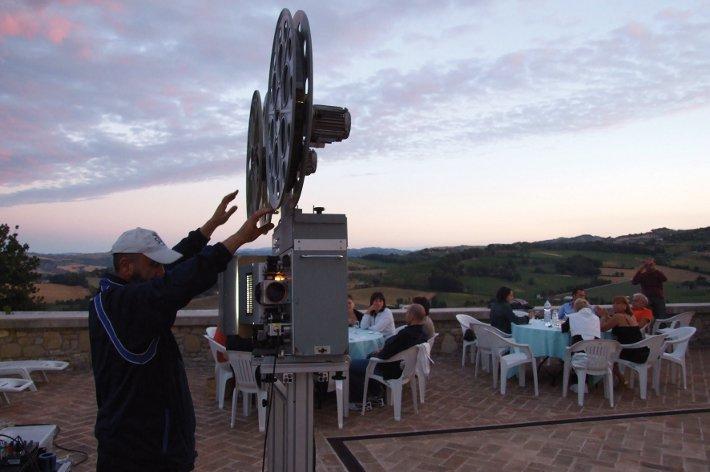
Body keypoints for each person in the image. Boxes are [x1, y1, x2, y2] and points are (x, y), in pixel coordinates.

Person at [89, 190, 274, 472]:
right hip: (141, 457)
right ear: (126, 266)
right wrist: (238, 238)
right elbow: (178, 281)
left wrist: (208, 228)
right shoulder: (125, 305)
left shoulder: (121, 294)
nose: (161, 272)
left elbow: (173, 265)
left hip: (155, 450)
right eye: (154, 265)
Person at [348, 304, 429, 408]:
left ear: (412, 316)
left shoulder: (406, 334)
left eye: (407, 313)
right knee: (368, 357)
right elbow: (394, 348)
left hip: (391, 369)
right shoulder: (422, 333)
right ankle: (375, 394)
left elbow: (386, 354)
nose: (405, 315)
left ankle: (358, 401)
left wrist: (377, 353)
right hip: (405, 367)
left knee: (351, 365)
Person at [600, 295, 649, 386]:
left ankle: (619, 379)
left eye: (618, 303)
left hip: (629, 351)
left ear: (625, 306)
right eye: (614, 303)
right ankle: (620, 379)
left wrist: (602, 317)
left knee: (607, 354)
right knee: (612, 351)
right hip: (639, 349)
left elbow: (602, 328)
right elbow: (616, 323)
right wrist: (607, 316)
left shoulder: (618, 316)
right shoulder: (631, 316)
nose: (614, 306)